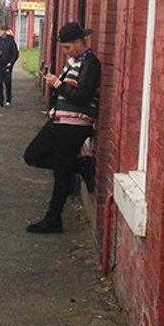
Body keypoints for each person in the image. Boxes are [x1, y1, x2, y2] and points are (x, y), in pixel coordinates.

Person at [23, 22, 100, 233]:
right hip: (60, 120)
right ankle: (81, 165)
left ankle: (53, 219)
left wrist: (57, 84)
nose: (66, 51)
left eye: (67, 47)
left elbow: (83, 95)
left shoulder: (90, 64)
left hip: (76, 123)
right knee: (32, 155)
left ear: (78, 42)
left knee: (60, 172)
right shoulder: (74, 61)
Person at [0, 26, 19, 107]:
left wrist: (11, 62)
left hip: (7, 65)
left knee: (7, 82)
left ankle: (8, 99)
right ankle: (0, 101)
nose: (0, 32)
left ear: (5, 31)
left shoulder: (11, 41)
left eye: (2, 30)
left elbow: (15, 54)